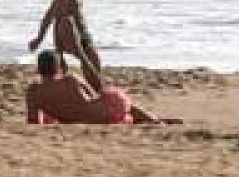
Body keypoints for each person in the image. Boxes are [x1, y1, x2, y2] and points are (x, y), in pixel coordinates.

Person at [27, 50, 165, 125]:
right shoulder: (70, 79)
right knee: (118, 102)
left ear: (39, 69)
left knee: (119, 109)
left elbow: (33, 121)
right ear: (58, 68)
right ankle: (155, 121)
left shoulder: (33, 92)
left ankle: (155, 121)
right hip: (98, 114)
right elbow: (94, 95)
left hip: (81, 120)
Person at [29, 0, 104, 92]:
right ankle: (98, 93)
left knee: (94, 62)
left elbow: (53, 14)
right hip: (71, 34)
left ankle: (93, 92)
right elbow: (52, 16)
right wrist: (40, 39)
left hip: (80, 33)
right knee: (87, 61)